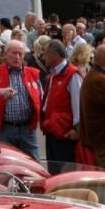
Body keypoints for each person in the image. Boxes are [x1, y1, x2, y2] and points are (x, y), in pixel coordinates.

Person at [0, 39, 41, 161]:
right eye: (14, 53)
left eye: (20, 54)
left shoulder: (33, 73)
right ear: (6, 54)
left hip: (27, 128)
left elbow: (42, 98)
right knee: (5, 164)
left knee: (34, 163)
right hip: (4, 129)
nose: (17, 57)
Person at [40, 39, 82, 173]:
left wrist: (78, 129)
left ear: (55, 55)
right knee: (54, 172)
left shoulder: (72, 74)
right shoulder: (54, 73)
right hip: (53, 131)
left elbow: (79, 105)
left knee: (65, 174)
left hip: (65, 134)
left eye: (45, 53)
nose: (43, 57)